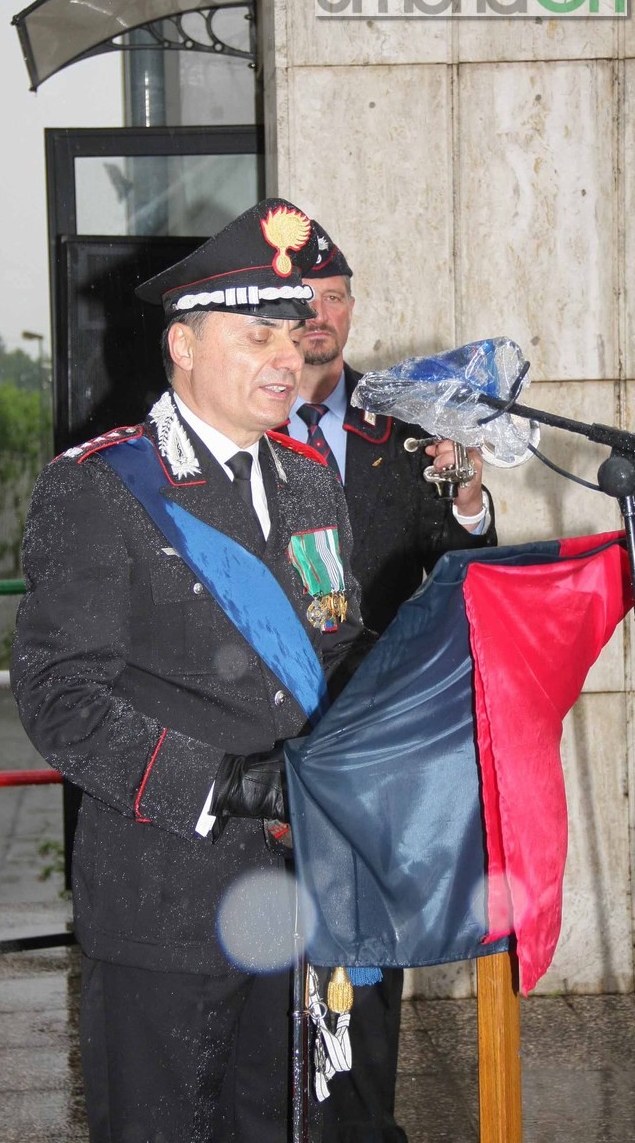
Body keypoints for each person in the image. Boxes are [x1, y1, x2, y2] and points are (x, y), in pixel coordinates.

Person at [10, 199, 369, 1143]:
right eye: (258, 336)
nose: (287, 359)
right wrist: (222, 786)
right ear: (182, 344)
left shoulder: (309, 481)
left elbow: (333, 648)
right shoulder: (99, 487)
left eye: (294, 336)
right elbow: (59, 696)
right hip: (166, 892)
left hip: (295, 887)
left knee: (277, 1123)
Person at [284, 222, 498, 1143]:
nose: (316, 316)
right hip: (263, 730)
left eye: (332, 297)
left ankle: (365, 1126)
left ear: (350, 310)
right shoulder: (236, 425)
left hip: (371, 744)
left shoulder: (404, 431)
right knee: (268, 955)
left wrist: (464, 499)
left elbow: (461, 568)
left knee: (364, 954)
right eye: (298, 302)